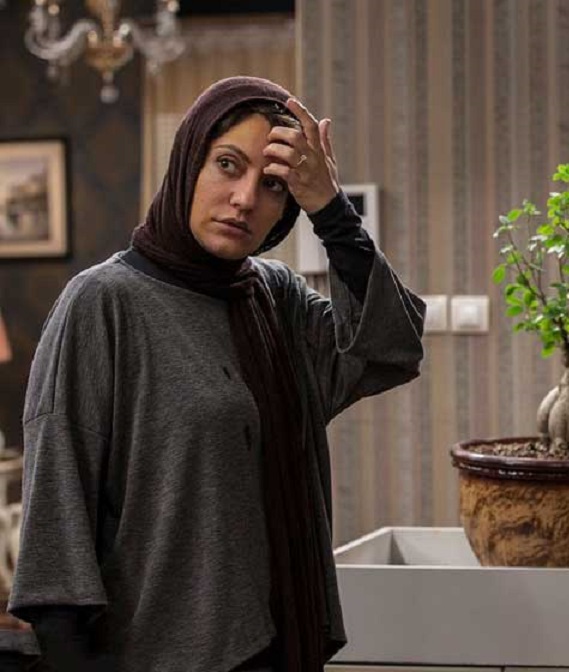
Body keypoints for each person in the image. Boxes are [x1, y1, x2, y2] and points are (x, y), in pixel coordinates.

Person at [4, 76, 425, 671]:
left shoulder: (273, 296)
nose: (245, 198)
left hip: (280, 645)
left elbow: (390, 349)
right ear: (188, 164)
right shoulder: (103, 302)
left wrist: (333, 213)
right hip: (154, 654)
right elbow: (58, 504)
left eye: (272, 185)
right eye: (228, 165)